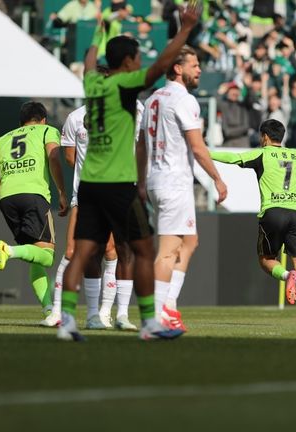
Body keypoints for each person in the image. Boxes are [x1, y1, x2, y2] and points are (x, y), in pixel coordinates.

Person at [58, 2, 201, 342]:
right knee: (145, 250)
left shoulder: (92, 84)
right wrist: (185, 29)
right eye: (137, 57)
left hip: (89, 183)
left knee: (83, 251)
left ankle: (67, 321)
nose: (140, 62)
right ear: (126, 62)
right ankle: (150, 321)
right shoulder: (125, 85)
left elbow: (89, 61)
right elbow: (161, 67)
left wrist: (99, 33)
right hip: (118, 184)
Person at [209, 119, 296, 326]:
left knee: (266, 260)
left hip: (272, 213)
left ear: (265, 137)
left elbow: (233, 158)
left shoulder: (262, 154)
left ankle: (287, 276)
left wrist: (204, 153)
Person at [47, 74, 144, 330]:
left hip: (122, 192)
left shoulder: (133, 110)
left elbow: (141, 145)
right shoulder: (76, 117)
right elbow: (70, 157)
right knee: (74, 251)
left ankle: (110, 313)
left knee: (116, 250)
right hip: (86, 194)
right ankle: (59, 311)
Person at [142, 45, 228, 331]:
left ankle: (169, 304)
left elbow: (141, 145)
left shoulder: (152, 99)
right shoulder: (184, 99)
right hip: (174, 181)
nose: (199, 69)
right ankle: (155, 317)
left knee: (189, 241)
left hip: (157, 179)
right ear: (178, 69)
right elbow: (198, 146)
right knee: (167, 251)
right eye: (194, 64)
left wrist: (141, 181)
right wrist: (217, 178)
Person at [0, 102, 69, 323]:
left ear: (21, 121)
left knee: (35, 258)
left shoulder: (0, 140)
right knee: (47, 256)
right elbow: (53, 157)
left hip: (6, 197)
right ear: (43, 119)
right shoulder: (47, 131)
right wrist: (62, 192)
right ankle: (9, 250)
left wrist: (5, 194)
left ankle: (49, 311)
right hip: (33, 195)